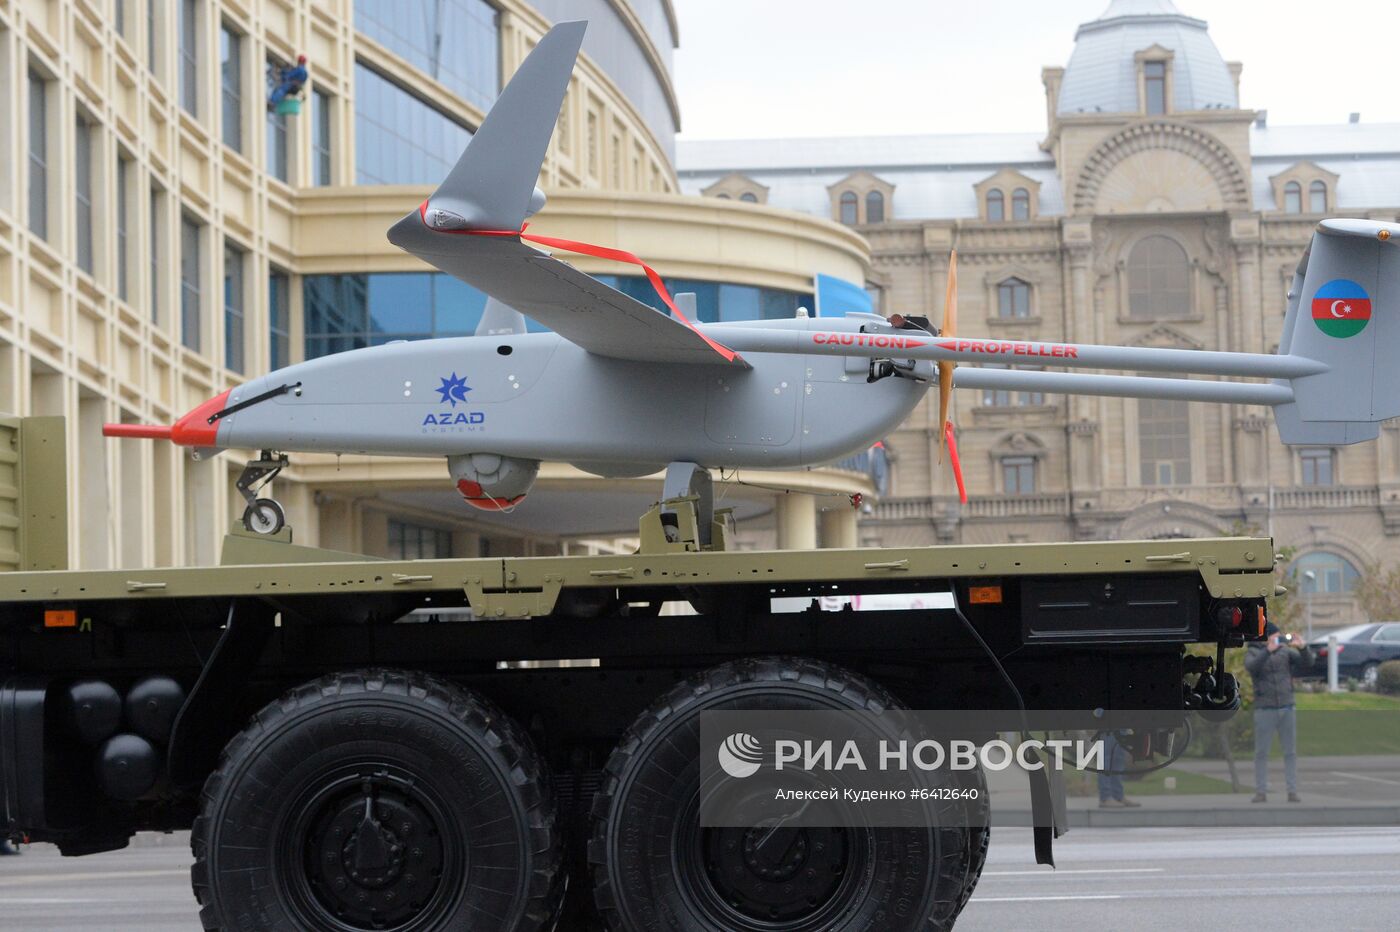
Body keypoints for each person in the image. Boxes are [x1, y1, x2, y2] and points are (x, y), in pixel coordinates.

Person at [1244, 621, 1313, 803]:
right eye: (1275, 636)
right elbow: (1251, 667)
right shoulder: (1254, 651)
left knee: (1290, 752)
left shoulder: (1286, 652)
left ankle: (1292, 791)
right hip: (1264, 708)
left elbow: (1308, 663)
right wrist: (1268, 650)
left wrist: (1303, 648)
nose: (1279, 639)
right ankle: (1261, 791)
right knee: (1261, 753)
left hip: (1286, 706)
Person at [1097, 730, 1141, 808]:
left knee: (1118, 758)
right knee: (1105, 757)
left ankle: (1117, 796)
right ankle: (1105, 797)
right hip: (1107, 722)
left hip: (1120, 723)